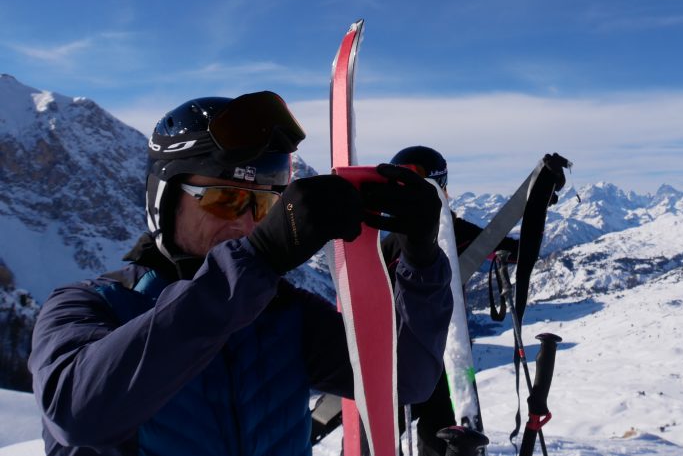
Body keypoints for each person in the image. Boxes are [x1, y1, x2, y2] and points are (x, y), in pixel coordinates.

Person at [29, 92, 453, 456]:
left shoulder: (284, 313)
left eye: (265, 205)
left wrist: (421, 260)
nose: (247, 223)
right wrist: (257, 260)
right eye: (224, 199)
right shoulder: (92, 306)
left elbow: (407, 381)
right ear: (165, 199)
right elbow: (77, 414)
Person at [382, 145, 517, 456]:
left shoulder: (389, 244)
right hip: (435, 359)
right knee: (438, 434)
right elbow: (510, 250)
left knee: (384, 436)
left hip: (403, 360)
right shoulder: (452, 233)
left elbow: (507, 249)